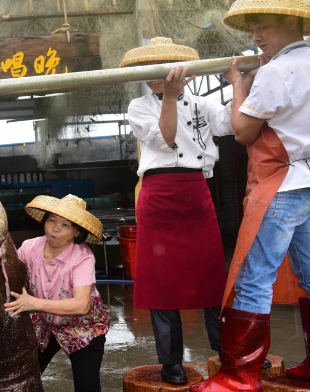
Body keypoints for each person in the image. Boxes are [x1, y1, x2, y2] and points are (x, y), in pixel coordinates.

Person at [191, 0, 310, 390]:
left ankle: (241, 375)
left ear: (292, 23)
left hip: (280, 185)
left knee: (254, 277)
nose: (256, 37)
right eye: (254, 29)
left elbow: (242, 131)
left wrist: (240, 86)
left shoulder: (276, 72)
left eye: (264, 27)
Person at [122, 38, 244, 385]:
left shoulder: (203, 103)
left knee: (210, 276)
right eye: (150, 71)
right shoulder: (138, 106)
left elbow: (233, 126)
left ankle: (227, 352)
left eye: (164, 69)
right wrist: (171, 99)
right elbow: (165, 139)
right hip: (158, 196)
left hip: (194, 192)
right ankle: (170, 362)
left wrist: (238, 85)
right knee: (161, 284)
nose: (156, 78)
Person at [5, 194, 110, 392]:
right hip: (45, 325)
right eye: (51, 220)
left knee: (87, 386)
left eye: (65, 225)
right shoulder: (29, 247)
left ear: (76, 232)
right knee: (21, 378)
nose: (55, 228)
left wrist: (34, 304)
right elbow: (9, 275)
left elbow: (81, 305)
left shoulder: (82, 257)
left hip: (83, 328)